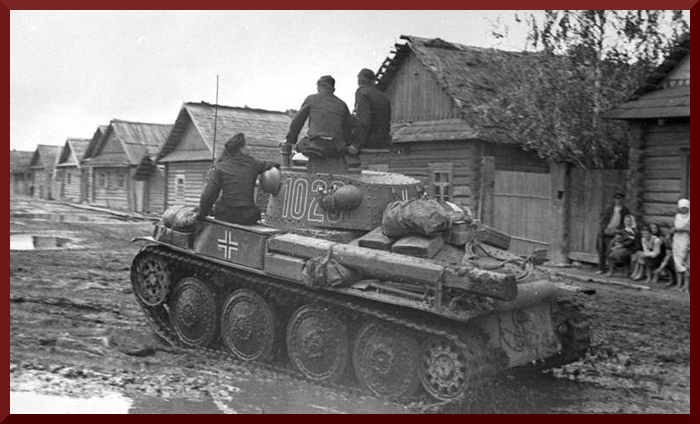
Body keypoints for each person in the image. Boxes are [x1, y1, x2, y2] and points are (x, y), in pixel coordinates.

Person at [196, 133, 276, 225]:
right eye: (246, 146)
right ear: (241, 149)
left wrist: (202, 214)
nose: (248, 148)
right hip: (248, 217)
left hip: (226, 215)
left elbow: (209, 194)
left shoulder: (220, 167)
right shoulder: (253, 164)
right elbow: (271, 165)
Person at [285, 75, 353, 174]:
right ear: (333, 89)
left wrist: (290, 140)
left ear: (320, 86)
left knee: (299, 147)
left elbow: (297, 122)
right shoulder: (342, 104)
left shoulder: (311, 99)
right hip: (336, 148)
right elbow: (348, 129)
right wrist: (346, 144)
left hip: (315, 145)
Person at [347, 68, 392, 156]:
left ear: (359, 81)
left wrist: (356, 145)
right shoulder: (384, 97)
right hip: (383, 141)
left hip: (370, 140)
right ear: (373, 81)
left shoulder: (362, 92)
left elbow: (364, 121)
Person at [596, 192, 631, 274]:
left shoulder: (625, 210)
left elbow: (625, 222)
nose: (617, 200)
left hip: (614, 233)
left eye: (619, 199)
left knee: (610, 251)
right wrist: (605, 228)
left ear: (622, 200)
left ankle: (611, 269)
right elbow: (603, 220)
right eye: (616, 199)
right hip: (604, 232)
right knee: (601, 250)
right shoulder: (609, 209)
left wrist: (617, 230)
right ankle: (601, 268)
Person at [670, 198, 690, 292]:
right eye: (682, 208)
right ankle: (678, 284)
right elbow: (673, 227)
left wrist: (683, 229)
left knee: (683, 261)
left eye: (685, 208)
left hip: (685, 239)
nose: (683, 210)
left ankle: (685, 285)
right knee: (676, 261)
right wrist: (674, 229)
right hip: (676, 239)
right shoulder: (677, 216)